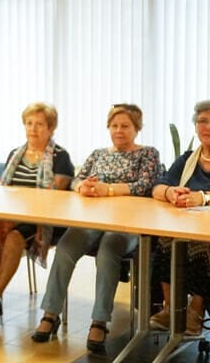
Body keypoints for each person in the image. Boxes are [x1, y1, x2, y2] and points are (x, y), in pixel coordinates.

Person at [32, 104, 162, 352]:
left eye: (125, 126)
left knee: (108, 251)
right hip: (92, 219)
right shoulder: (99, 153)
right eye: (114, 126)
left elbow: (146, 186)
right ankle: (51, 313)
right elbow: (77, 179)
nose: (119, 130)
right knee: (66, 247)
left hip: (128, 223)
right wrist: (83, 187)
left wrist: (108, 190)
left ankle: (99, 320)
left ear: (137, 128)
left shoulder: (148, 154)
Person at [0, 102, 74, 320]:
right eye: (29, 123)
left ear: (51, 128)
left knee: (15, 238)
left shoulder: (60, 157)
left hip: (41, 220)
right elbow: (4, 192)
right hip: (9, 213)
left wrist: (14, 220)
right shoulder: (16, 154)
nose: (33, 129)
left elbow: (51, 197)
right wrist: (6, 216)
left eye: (40, 124)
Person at [150, 99, 210, 336]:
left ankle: (196, 312)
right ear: (196, 127)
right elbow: (158, 186)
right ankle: (171, 308)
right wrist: (171, 192)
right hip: (185, 226)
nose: (209, 127)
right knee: (165, 238)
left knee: (206, 245)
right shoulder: (187, 159)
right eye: (203, 121)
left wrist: (204, 198)